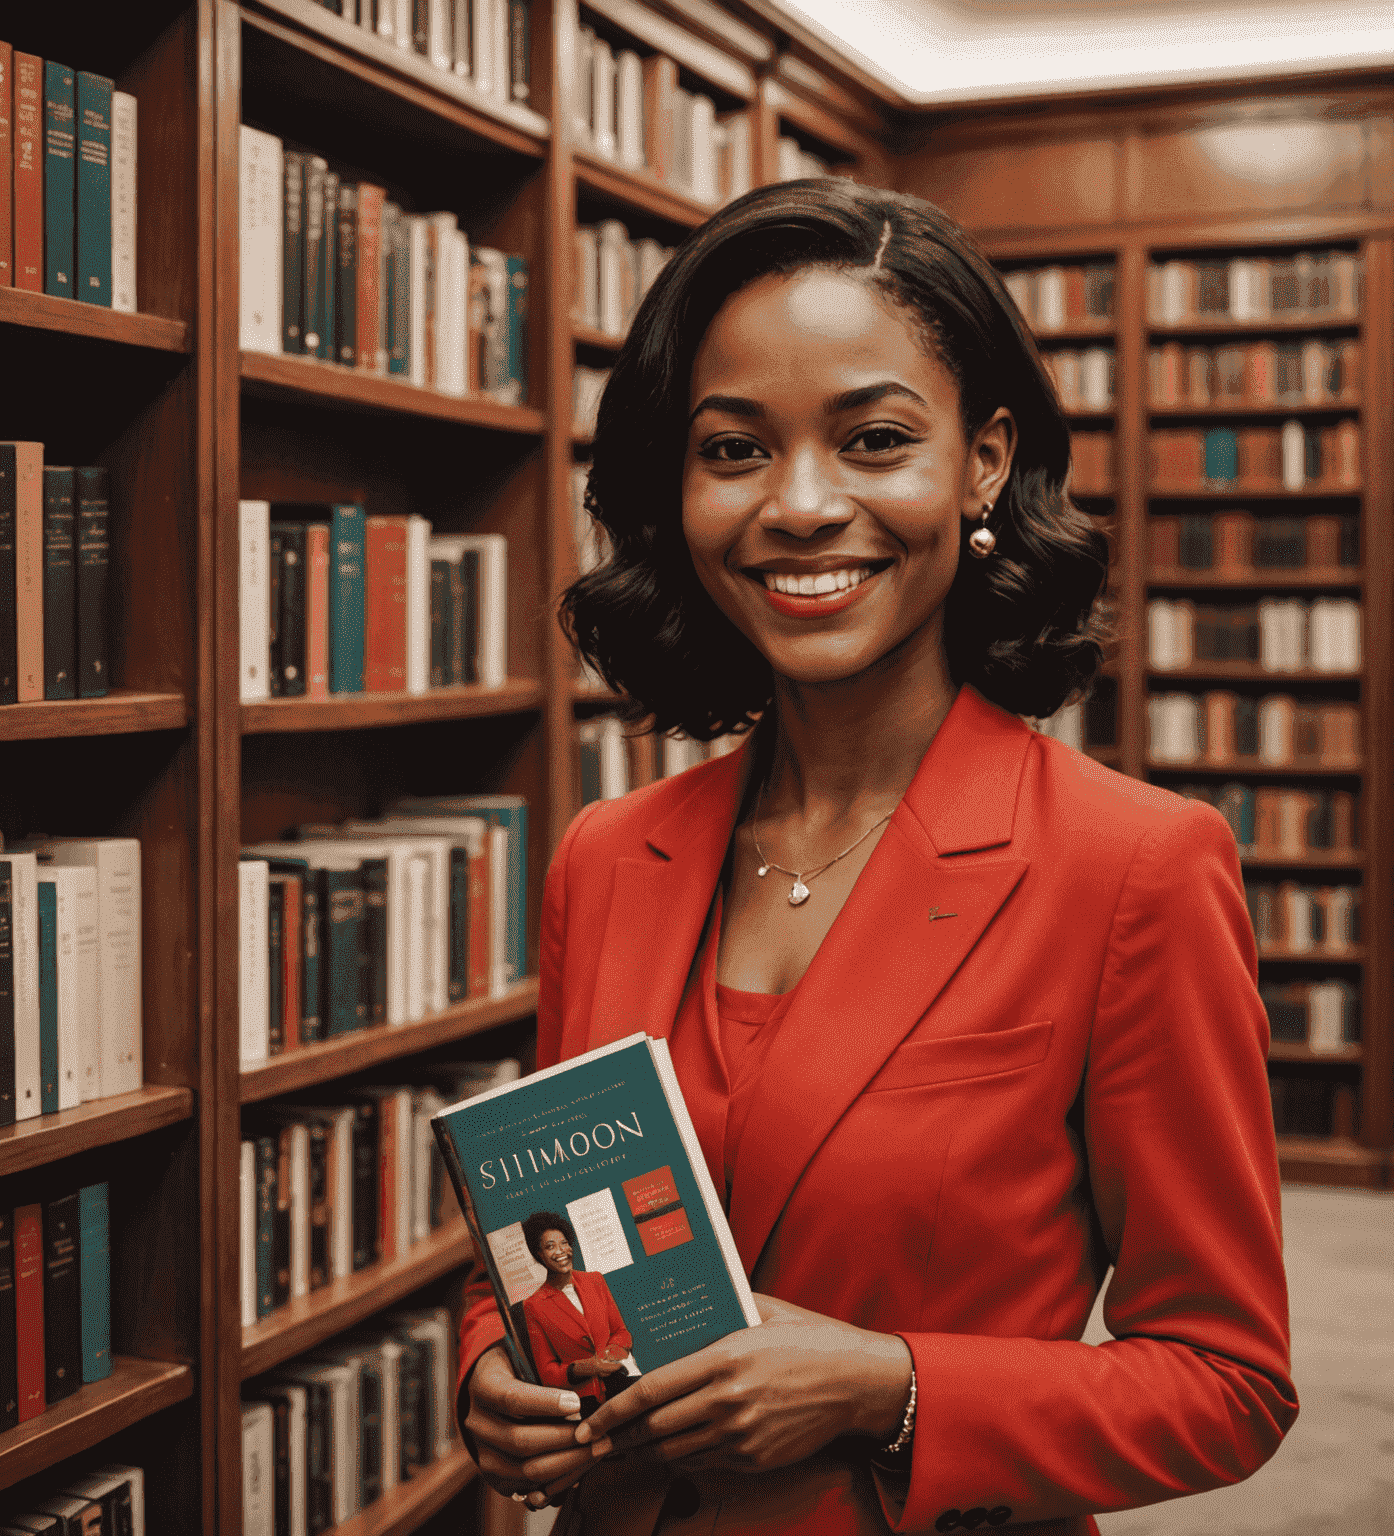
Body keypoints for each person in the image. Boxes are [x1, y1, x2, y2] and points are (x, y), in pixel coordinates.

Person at [457, 178, 1298, 1535]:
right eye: (734, 449)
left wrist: (885, 1388)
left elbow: (1226, 1384)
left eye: (873, 439)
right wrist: (492, 1369)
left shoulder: (1136, 868)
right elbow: (550, 1220)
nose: (798, 504)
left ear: (981, 461)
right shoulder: (609, 854)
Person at [518, 1212, 635, 1413]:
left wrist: (608, 1358)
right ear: (539, 1254)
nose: (561, 1251)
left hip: (620, 1380)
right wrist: (590, 1367)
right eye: (550, 1246)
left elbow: (621, 1333)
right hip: (585, 1400)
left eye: (564, 1243)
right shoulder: (534, 1305)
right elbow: (547, 1373)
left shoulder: (595, 1280)